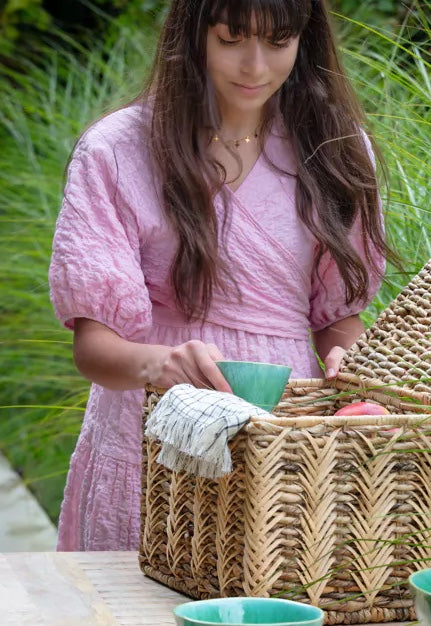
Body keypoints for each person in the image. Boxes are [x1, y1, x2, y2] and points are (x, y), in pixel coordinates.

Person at [48, 0, 392, 552]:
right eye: (232, 39)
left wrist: (349, 362)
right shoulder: (118, 150)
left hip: (280, 433)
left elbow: (337, 317)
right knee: (128, 622)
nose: (255, 66)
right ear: (194, 36)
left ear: (305, 41)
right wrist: (162, 364)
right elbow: (93, 348)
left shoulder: (335, 151)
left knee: (268, 607)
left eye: (278, 42)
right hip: (153, 430)